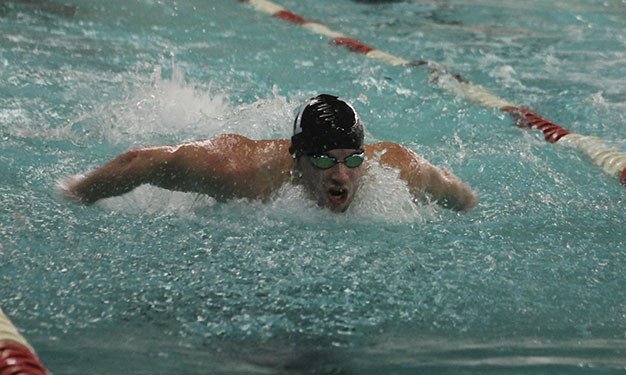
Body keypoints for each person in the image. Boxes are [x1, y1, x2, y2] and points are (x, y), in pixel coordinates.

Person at [58, 94, 478, 212]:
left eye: (351, 160)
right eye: (323, 160)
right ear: (297, 158)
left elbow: (453, 191)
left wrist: (467, 205)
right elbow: (142, 161)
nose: (341, 175)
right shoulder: (241, 172)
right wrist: (77, 194)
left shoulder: (396, 169)